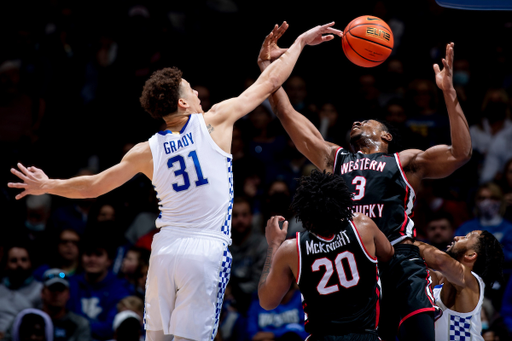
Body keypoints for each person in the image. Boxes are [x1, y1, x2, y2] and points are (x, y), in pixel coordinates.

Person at [8, 21, 343, 341]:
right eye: (191, 90)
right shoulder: (213, 121)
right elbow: (269, 84)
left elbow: (94, 186)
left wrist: (48, 185)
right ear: (183, 103)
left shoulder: (145, 150)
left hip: (165, 249)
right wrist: (299, 43)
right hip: (205, 249)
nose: (198, 92)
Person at [258, 24, 471, 341]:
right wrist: (269, 66)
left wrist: (449, 95)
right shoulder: (335, 158)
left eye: (367, 120)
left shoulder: (404, 161)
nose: (357, 121)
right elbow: (286, 113)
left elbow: (460, 153)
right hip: (357, 260)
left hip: (399, 258)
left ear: (386, 135)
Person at [258, 170, 394, 340]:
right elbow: (389, 254)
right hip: (365, 334)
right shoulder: (362, 226)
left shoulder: (291, 249)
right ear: (341, 202)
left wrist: (273, 245)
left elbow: (267, 301)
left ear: (304, 213)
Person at [414, 230, 504, 341]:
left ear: (471, 255)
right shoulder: (441, 280)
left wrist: (405, 241)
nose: (457, 237)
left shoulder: (470, 280)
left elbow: (439, 260)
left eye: (466, 237)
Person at [67, 234, 133, 341]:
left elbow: (112, 327)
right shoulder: (71, 284)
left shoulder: (120, 289)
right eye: (88, 254)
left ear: (109, 261)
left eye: (98, 254)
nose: (92, 259)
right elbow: (63, 319)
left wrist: (80, 327)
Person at [0, 244, 43, 339]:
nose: (19, 264)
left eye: (24, 260)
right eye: (14, 260)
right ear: (6, 264)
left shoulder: (40, 290)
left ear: (30, 263)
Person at [40, 268, 91, 341]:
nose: (56, 293)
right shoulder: (31, 320)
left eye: (61, 289)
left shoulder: (79, 324)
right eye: (52, 289)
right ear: (42, 293)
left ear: (68, 294)